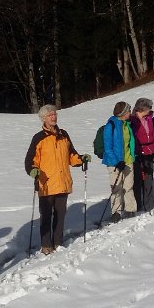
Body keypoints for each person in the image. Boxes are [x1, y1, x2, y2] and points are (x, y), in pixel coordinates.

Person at [24, 105, 91, 255]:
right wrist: (33, 170)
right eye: (50, 115)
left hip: (62, 182)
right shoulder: (39, 138)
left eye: (55, 114)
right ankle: (46, 245)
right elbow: (30, 161)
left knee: (61, 214)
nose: (53, 117)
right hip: (46, 184)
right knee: (46, 215)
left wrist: (81, 159)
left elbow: (71, 155)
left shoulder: (63, 135)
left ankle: (58, 242)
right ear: (43, 119)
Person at [101, 101, 137, 222]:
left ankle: (130, 209)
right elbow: (108, 147)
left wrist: (132, 155)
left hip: (128, 160)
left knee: (129, 186)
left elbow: (129, 143)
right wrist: (116, 161)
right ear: (123, 113)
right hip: (115, 163)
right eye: (129, 111)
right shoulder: (110, 125)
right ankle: (116, 212)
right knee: (117, 188)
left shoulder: (126, 124)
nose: (130, 113)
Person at [129, 98, 154, 212]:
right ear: (142, 108)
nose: (150, 110)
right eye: (149, 107)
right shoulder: (132, 120)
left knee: (149, 179)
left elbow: (153, 135)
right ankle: (138, 205)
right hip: (138, 154)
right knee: (137, 181)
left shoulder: (149, 119)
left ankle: (149, 204)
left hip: (149, 152)